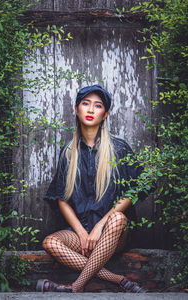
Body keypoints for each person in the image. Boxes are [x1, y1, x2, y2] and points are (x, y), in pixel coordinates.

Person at [36, 85, 145, 293]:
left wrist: (99, 227)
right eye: (85, 104)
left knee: (118, 219)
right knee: (51, 242)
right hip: (81, 232)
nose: (91, 110)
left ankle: (76, 286)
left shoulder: (119, 148)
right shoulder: (68, 152)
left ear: (106, 114)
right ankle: (116, 279)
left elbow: (136, 189)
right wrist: (81, 232)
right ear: (77, 109)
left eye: (98, 105)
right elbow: (61, 198)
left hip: (113, 233)